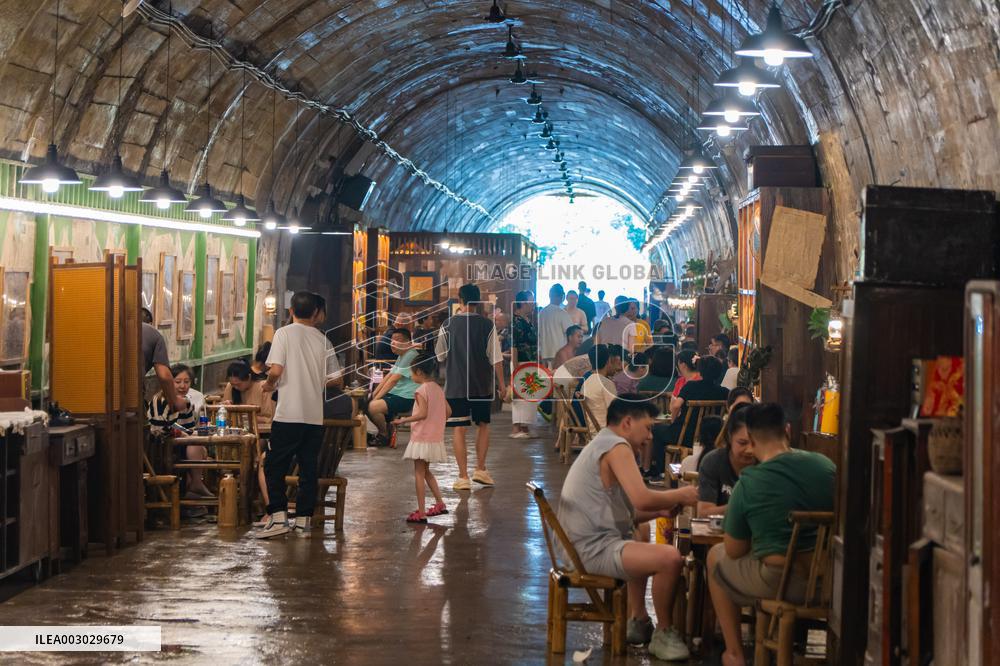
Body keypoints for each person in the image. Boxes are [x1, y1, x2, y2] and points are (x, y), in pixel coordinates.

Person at [557, 397, 698, 660]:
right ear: (627, 422)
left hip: (578, 545)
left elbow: (632, 511)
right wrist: (681, 495)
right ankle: (664, 633)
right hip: (589, 550)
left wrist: (660, 510)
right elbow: (641, 498)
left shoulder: (603, 441)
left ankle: (638, 618)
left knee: (641, 531)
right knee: (670, 558)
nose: (648, 436)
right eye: (647, 428)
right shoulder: (616, 446)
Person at [707, 403, 836, 666]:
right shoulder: (825, 466)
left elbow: (733, 550)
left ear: (751, 442)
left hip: (780, 582)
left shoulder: (750, 481)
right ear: (787, 430)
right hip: (830, 583)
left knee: (715, 556)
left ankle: (734, 653)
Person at [256, 292, 336, 539]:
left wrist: (269, 385)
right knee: (308, 469)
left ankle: (278, 517)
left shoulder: (284, 333)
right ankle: (303, 521)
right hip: (313, 416)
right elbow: (336, 379)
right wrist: (312, 380)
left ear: (291, 311)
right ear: (315, 313)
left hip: (288, 414)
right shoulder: (323, 339)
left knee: (274, 465)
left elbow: (276, 369)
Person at [435, 284, 508, 490]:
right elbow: (496, 358)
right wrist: (502, 385)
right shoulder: (487, 325)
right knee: (483, 425)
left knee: (459, 428)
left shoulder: (448, 325)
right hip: (481, 386)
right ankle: (481, 470)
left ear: (460, 300)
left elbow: (440, 355)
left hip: (456, 385)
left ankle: (463, 477)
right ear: (479, 301)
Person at [393, 352, 450, 523]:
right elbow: (448, 412)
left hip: (421, 437)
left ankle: (422, 512)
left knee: (419, 473)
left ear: (418, 372)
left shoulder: (420, 390)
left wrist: (403, 419)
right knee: (426, 471)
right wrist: (437, 421)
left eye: (411, 372)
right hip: (434, 437)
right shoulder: (438, 388)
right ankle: (440, 504)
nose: (411, 376)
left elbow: (423, 414)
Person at [146, 363, 212, 498]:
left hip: (179, 444)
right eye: (178, 382)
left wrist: (190, 433)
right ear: (169, 382)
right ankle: (196, 485)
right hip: (160, 446)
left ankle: (193, 489)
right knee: (195, 443)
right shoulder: (160, 399)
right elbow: (158, 429)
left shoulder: (186, 402)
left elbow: (190, 428)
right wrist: (180, 433)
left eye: (186, 382)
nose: (183, 386)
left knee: (199, 444)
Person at [697, 404, 755, 517]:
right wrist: (744, 506)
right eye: (742, 443)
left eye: (755, 443)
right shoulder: (713, 462)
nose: (750, 450)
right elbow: (704, 513)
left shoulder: (765, 463)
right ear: (729, 436)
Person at [368, 329, 420, 446]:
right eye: (392, 340)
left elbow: (393, 380)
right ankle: (387, 430)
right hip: (397, 394)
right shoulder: (403, 355)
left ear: (408, 342)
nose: (393, 343)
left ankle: (384, 434)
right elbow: (388, 377)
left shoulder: (410, 355)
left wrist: (374, 399)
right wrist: (373, 395)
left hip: (407, 397)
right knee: (368, 403)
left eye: (398, 340)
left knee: (372, 407)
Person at [510, 291, 538, 438]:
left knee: (529, 396)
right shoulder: (516, 321)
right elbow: (514, 346)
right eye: (530, 302)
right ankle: (516, 428)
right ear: (522, 303)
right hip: (520, 362)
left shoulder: (527, 320)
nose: (533, 305)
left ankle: (525, 427)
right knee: (520, 396)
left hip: (530, 362)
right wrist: (515, 369)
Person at [142, 319, 186, 413]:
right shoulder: (153, 334)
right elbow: (164, 376)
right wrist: (174, 400)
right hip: (129, 402)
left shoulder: (107, 328)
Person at [581, 344, 621, 430]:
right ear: (608, 361)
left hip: (592, 431)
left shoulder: (587, 382)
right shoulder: (606, 383)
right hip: (605, 432)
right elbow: (615, 413)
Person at [537, 284, 574, 367]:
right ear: (562, 297)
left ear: (550, 295)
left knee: (547, 378)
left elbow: (539, 334)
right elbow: (571, 333)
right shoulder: (562, 313)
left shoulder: (541, 312)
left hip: (545, 353)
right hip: (559, 354)